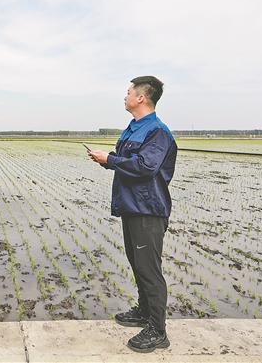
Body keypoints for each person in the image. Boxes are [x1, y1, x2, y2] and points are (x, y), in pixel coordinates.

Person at [87, 76, 177, 353]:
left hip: (148, 210)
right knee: (138, 264)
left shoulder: (157, 131)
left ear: (140, 98)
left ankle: (157, 331)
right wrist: (107, 160)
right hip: (132, 206)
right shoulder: (135, 127)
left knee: (149, 270)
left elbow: (146, 167)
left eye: (128, 93)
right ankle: (144, 313)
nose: (124, 96)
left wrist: (110, 159)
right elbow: (130, 163)